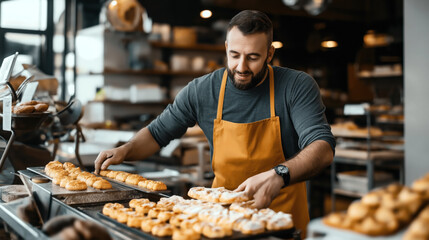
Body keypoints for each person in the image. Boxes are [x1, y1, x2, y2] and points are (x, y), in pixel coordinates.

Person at [95, 10, 335, 234]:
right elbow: (158, 133)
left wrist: (279, 174)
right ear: (226, 48)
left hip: (282, 221)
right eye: (235, 55)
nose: (241, 67)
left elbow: (322, 147)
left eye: (253, 57)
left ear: (270, 54)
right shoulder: (202, 91)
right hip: (222, 222)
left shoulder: (296, 86)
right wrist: (125, 150)